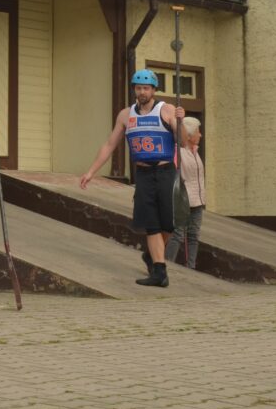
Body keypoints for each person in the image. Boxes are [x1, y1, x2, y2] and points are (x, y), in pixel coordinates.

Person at [79, 69, 184, 288]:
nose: (142, 92)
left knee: (169, 224)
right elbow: (110, 145)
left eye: (146, 88)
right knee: (151, 223)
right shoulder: (126, 115)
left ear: (154, 90)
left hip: (165, 172)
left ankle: (151, 255)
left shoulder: (166, 110)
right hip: (143, 174)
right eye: (138, 88)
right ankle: (159, 271)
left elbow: (181, 141)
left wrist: (180, 122)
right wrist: (90, 172)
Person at [166, 116, 205, 269]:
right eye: (197, 131)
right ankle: (167, 264)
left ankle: (191, 267)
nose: (200, 134)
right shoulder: (178, 152)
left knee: (194, 235)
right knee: (178, 234)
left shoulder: (195, 151)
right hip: (182, 199)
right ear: (188, 135)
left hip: (198, 201)